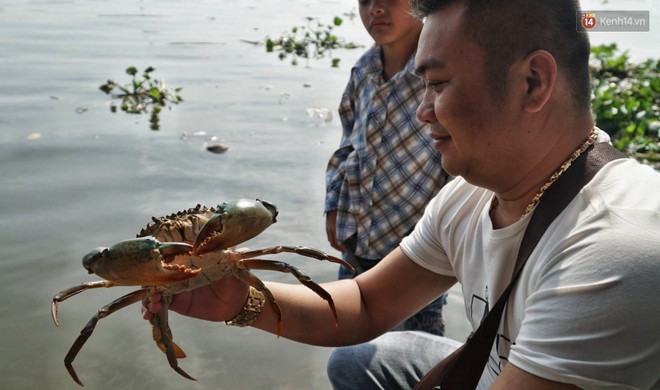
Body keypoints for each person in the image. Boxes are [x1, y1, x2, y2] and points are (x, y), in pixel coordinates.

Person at [144, 0, 660, 388]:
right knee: (356, 360)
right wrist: (244, 300)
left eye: (437, 85)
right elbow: (367, 302)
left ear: (533, 82)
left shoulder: (617, 248)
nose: (423, 112)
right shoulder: (469, 199)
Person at [324, 0, 449, 336]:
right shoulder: (363, 69)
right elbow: (348, 143)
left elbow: (462, 163)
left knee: (415, 351)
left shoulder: (441, 73)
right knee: (346, 339)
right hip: (357, 241)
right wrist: (333, 205)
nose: (375, 9)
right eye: (366, 1)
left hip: (417, 252)